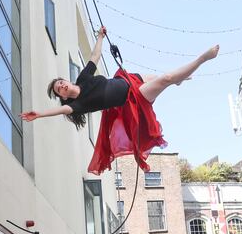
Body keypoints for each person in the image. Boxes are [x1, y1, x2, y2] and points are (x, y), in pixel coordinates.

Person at [21, 26, 220, 175]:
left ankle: (179, 80)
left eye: (61, 82)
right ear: (63, 96)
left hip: (128, 79)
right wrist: (39, 114)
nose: (62, 86)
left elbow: (95, 56)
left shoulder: (83, 78)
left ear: (67, 81)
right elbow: (61, 111)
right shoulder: (77, 105)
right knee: (167, 78)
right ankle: (203, 58)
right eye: (59, 89)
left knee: (168, 78)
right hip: (133, 99)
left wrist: (99, 36)